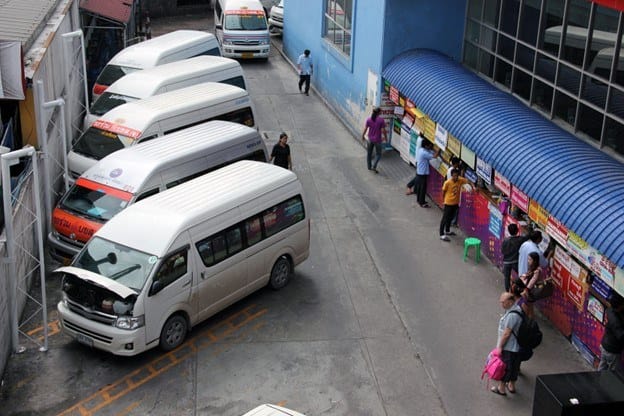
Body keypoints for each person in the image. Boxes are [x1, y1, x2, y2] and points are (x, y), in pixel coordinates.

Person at [492, 292, 523, 396]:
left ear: (510, 302)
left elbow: (506, 333)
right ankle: (512, 386)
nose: (501, 304)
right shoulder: (517, 310)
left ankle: (501, 388)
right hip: (517, 347)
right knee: (514, 367)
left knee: (505, 367)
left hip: (509, 347)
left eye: (503, 302)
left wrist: (500, 347)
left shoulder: (512, 315)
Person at [439, 168, 472, 241]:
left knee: (450, 217)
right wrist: (444, 200)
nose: (455, 178)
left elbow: (467, 181)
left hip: (455, 203)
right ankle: (441, 234)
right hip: (448, 203)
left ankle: (447, 230)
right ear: (451, 176)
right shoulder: (447, 182)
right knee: (445, 218)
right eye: (454, 176)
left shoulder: (460, 180)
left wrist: (473, 186)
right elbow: (443, 192)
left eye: (457, 176)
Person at [406, 138, 440, 208]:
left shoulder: (422, 150)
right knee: (422, 188)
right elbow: (435, 156)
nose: (430, 147)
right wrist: (439, 149)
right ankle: (422, 202)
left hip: (420, 171)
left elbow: (431, 152)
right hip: (422, 173)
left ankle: (419, 200)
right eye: (429, 146)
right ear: (426, 146)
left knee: (420, 187)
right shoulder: (424, 153)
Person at [598, 294, 624, 371]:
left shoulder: (609, 310)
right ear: (619, 306)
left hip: (605, 345)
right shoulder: (616, 321)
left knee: (602, 367)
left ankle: (598, 381)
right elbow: (621, 336)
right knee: (611, 373)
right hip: (612, 350)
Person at [501, 223, 527, 292]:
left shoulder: (505, 241)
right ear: (517, 230)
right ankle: (523, 289)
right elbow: (528, 236)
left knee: (507, 278)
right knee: (522, 275)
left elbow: (503, 251)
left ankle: (508, 291)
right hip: (515, 262)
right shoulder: (520, 239)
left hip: (506, 262)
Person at [361, 107, 387, 173]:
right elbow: (383, 131)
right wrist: (385, 138)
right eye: (381, 112)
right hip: (378, 140)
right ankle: (374, 166)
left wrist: (363, 136)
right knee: (378, 154)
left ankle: (369, 167)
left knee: (369, 153)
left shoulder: (369, 119)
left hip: (370, 139)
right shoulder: (381, 120)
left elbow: (365, 129)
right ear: (379, 113)